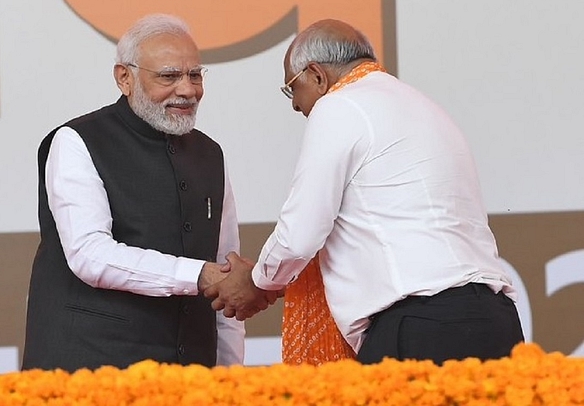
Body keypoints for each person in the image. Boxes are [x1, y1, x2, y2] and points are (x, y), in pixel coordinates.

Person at [205, 19, 524, 366]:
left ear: (316, 75)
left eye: (291, 89)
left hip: (420, 328)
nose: (296, 106)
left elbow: (299, 235)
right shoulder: (420, 106)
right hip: (497, 323)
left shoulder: (340, 105)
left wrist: (256, 282)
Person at [22, 13, 245, 372]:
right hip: (90, 374)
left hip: (191, 378)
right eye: (169, 76)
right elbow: (90, 256)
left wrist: (230, 376)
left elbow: (226, 275)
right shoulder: (77, 141)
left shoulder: (210, 154)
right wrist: (198, 275)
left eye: (195, 75)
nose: (187, 89)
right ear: (124, 78)